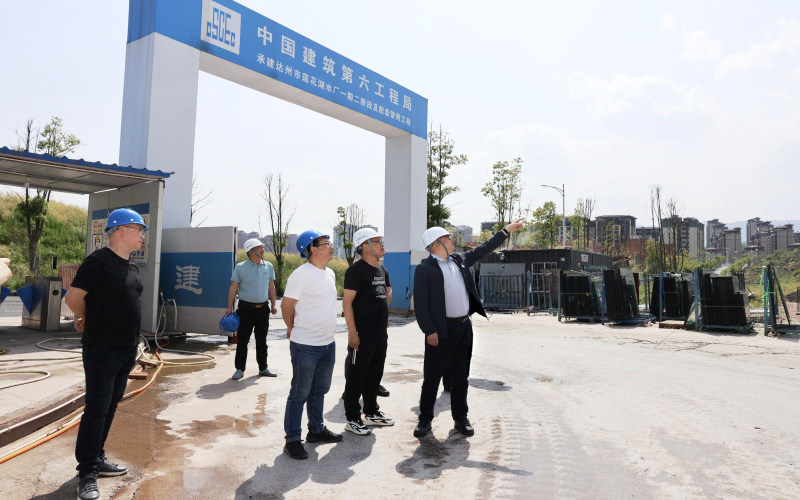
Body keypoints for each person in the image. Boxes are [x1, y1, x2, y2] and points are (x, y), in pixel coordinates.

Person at [412, 219, 524, 438]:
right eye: (448, 238)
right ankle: (425, 419)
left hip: (464, 328)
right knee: (432, 377)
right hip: (440, 330)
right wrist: (429, 330)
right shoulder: (425, 269)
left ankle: (460, 418)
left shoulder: (459, 260)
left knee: (461, 377)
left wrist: (506, 231)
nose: (452, 240)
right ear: (436, 243)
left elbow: (484, 248)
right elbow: (421, 304)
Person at [64, 209, 148, 500]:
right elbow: (73, 298)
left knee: (110, 406)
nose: (143, 235)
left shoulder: (132, 267)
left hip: (127, 348)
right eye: (140, 229)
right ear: (122, 230)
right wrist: (90, 319)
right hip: (102, 348)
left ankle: (97, 457)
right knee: (97, 408)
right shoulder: (98, 261)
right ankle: (87, 473)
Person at [281, 230, 343, 459]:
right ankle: (292, 440)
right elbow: (287, 305)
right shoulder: (301, 274)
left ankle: (316, 430)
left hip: (328, 344)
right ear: (313, 249)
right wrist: (291, 328)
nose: (331, 246)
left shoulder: (330, 273)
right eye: (326, 243)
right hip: (305, 345)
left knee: (319, 390)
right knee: (299, 393)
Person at [342, 228, 394, 435]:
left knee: (374, 374)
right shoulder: (355, 271)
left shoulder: (382, 270)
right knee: (356, 377)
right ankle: (352, 418)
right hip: (362, 333)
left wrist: (383, 314)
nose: (382, 244)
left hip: (379, 333)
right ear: (365, 246)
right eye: (377, 241)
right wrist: (352, 333)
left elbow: (387, 293)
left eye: (382, 240)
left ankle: (371, 412)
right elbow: (347, 303)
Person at [227, 238, 278, 380]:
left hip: (263, 309)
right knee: (243, 340)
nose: (263, 250)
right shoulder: (240, 267)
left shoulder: (268, 266)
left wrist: (274, 304)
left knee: (262, 340)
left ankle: (263, 367)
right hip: (246, 309)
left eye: (262, 247)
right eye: (260, 247)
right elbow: (233, 287)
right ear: (251, 251)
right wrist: (229, 307)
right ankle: (239, 369)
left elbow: (271, 286)